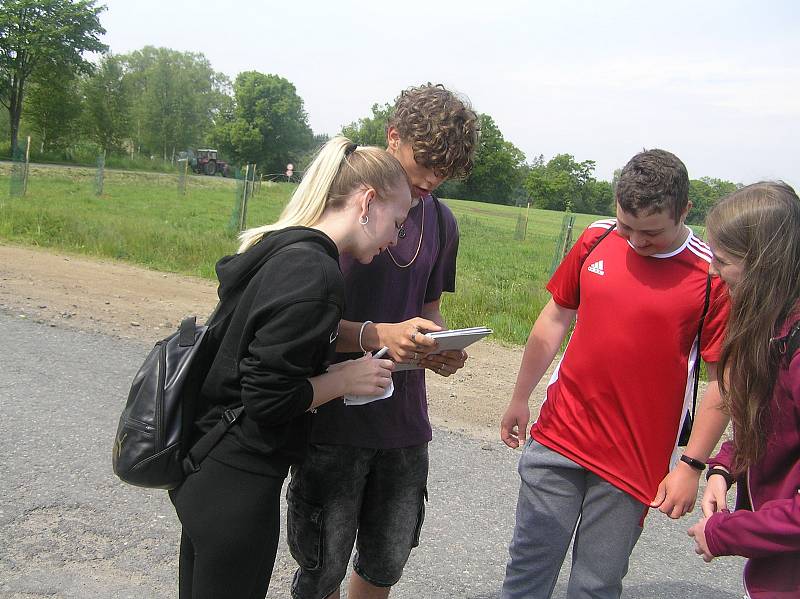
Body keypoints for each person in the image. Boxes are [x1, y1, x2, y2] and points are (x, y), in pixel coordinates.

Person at [168, 136, 413, 599]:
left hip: (207, 464)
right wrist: (345, 379)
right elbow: (268, 398)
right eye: (397, 222)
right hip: (239, 480)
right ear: (367, 202)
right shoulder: (315, 273)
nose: (395, 239)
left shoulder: (281, 248)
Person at [499, 149, 732, 599]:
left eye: (651, 233)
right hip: (558, 437)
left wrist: (691, 465)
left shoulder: (711, 275)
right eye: (627, 226)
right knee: (527, 571)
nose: (636, 242)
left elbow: (723, 384)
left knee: (596, 584)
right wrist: (519, 396)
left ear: (685, 210)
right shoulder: (596, 239)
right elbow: (554, 319)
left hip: (633, 461)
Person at [287, 83, 479, 599]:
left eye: (447, 170)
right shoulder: (340, 208)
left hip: (403, 423)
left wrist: (437, 348)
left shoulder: (442, 220)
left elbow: (428, 309)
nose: (434, 178)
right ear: (393, 137)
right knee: (322, 568)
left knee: (385, 562)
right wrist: (376, 335)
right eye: (428, 162)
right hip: (331, 419)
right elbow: (296, 324)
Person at [687, 181, 800, 599]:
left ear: (763, 263)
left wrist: (726, 533)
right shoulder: (777, 328)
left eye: (722, 259)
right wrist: (723, 467)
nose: (713, 271)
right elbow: (772, 425)